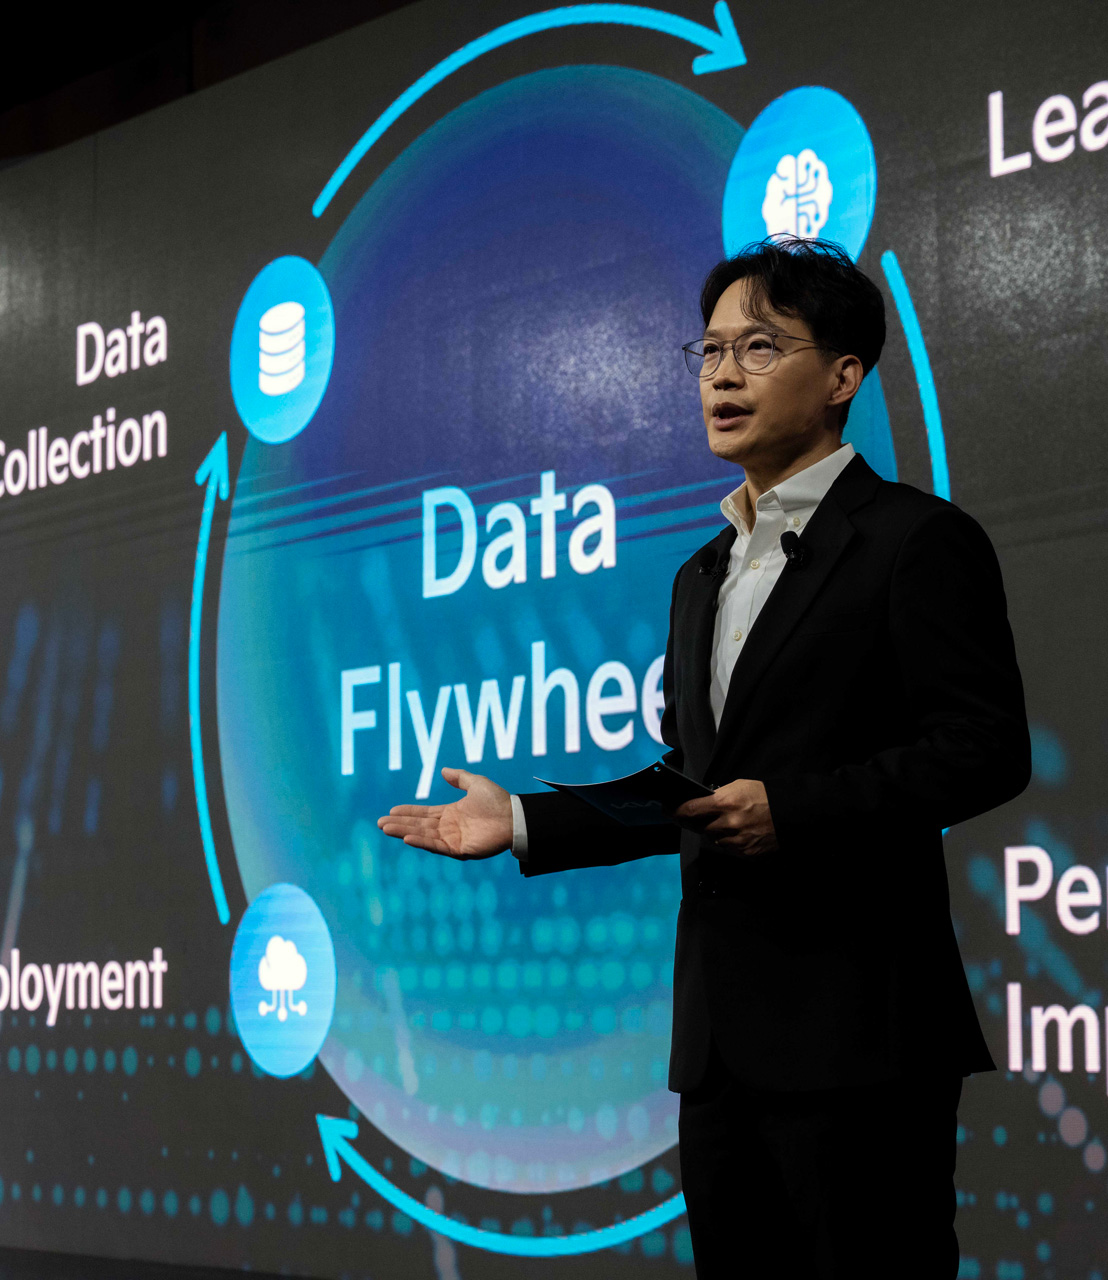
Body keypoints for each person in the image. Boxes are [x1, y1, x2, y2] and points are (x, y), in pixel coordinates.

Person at [376, 237, 1029, 1278]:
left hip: (860, 1034)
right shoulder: (701, 572)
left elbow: (985, 750)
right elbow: (694, 783)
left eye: (759, 347)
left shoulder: (916, 540)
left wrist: (792, 812)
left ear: (843, 377)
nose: (722, 375)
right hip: (721, 1050)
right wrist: (530, 820)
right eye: (711, 350)